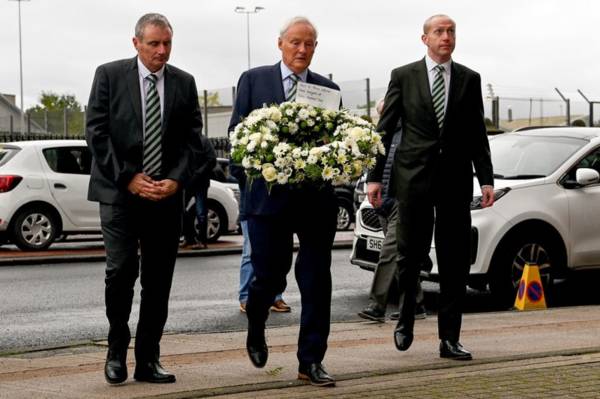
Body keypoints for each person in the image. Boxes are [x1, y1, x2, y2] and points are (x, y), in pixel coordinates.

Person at [86, 13, 204, 384]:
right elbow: (97, 134)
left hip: (165, 198)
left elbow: (194, 141)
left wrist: (177, 180)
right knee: (121, 272)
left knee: (158, 280)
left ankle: (148, 359)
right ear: (136, 43)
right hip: (121, 194)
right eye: (154, 43)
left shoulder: (184, 83)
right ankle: (115, 351)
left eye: (167, 43)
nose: (162, 51)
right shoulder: (108, 75)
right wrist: (129, 179)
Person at [367, 14, 494, 361]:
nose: (446, 37)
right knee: (409, 255)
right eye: (439, 32)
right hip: (413, 179)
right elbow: (384, 130)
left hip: (454, 180)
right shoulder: (403, 76)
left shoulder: (469, 79)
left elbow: (476, 134)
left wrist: (486, 178)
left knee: (455, 260)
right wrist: (375, 178)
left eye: (451, 31)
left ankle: (450, 338)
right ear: (425, 39)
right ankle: (405, 318)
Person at [229, 16, 339, 387]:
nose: (302, 50)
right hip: (267, 202)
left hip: (314, 203)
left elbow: (334, 143)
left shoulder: (328, 90)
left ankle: (311, 361)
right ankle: (256, 324)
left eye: (308, 44)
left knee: (316, 281)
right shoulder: (253, 80)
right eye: (295, 42)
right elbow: (236, 135)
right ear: (280, 44)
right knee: (269, 275)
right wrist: (251, 174)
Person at [358, 99, 427, 323]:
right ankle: (416, 303)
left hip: (402, 201)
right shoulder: (380, 137)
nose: (383, 116)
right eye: (380, 113)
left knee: (388, 252)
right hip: (383, 202)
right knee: (400, 255)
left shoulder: (409, 134)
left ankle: (377, 304)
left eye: (386, 112)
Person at [181, 135, 217, 250]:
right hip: (187, 182)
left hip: (200, 182)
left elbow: (211, 160)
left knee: (201, 212)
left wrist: (198, 173)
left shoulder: (204, 141)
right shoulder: (185, 140)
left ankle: (202, 241)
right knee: (181, 209)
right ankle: (190, 238)